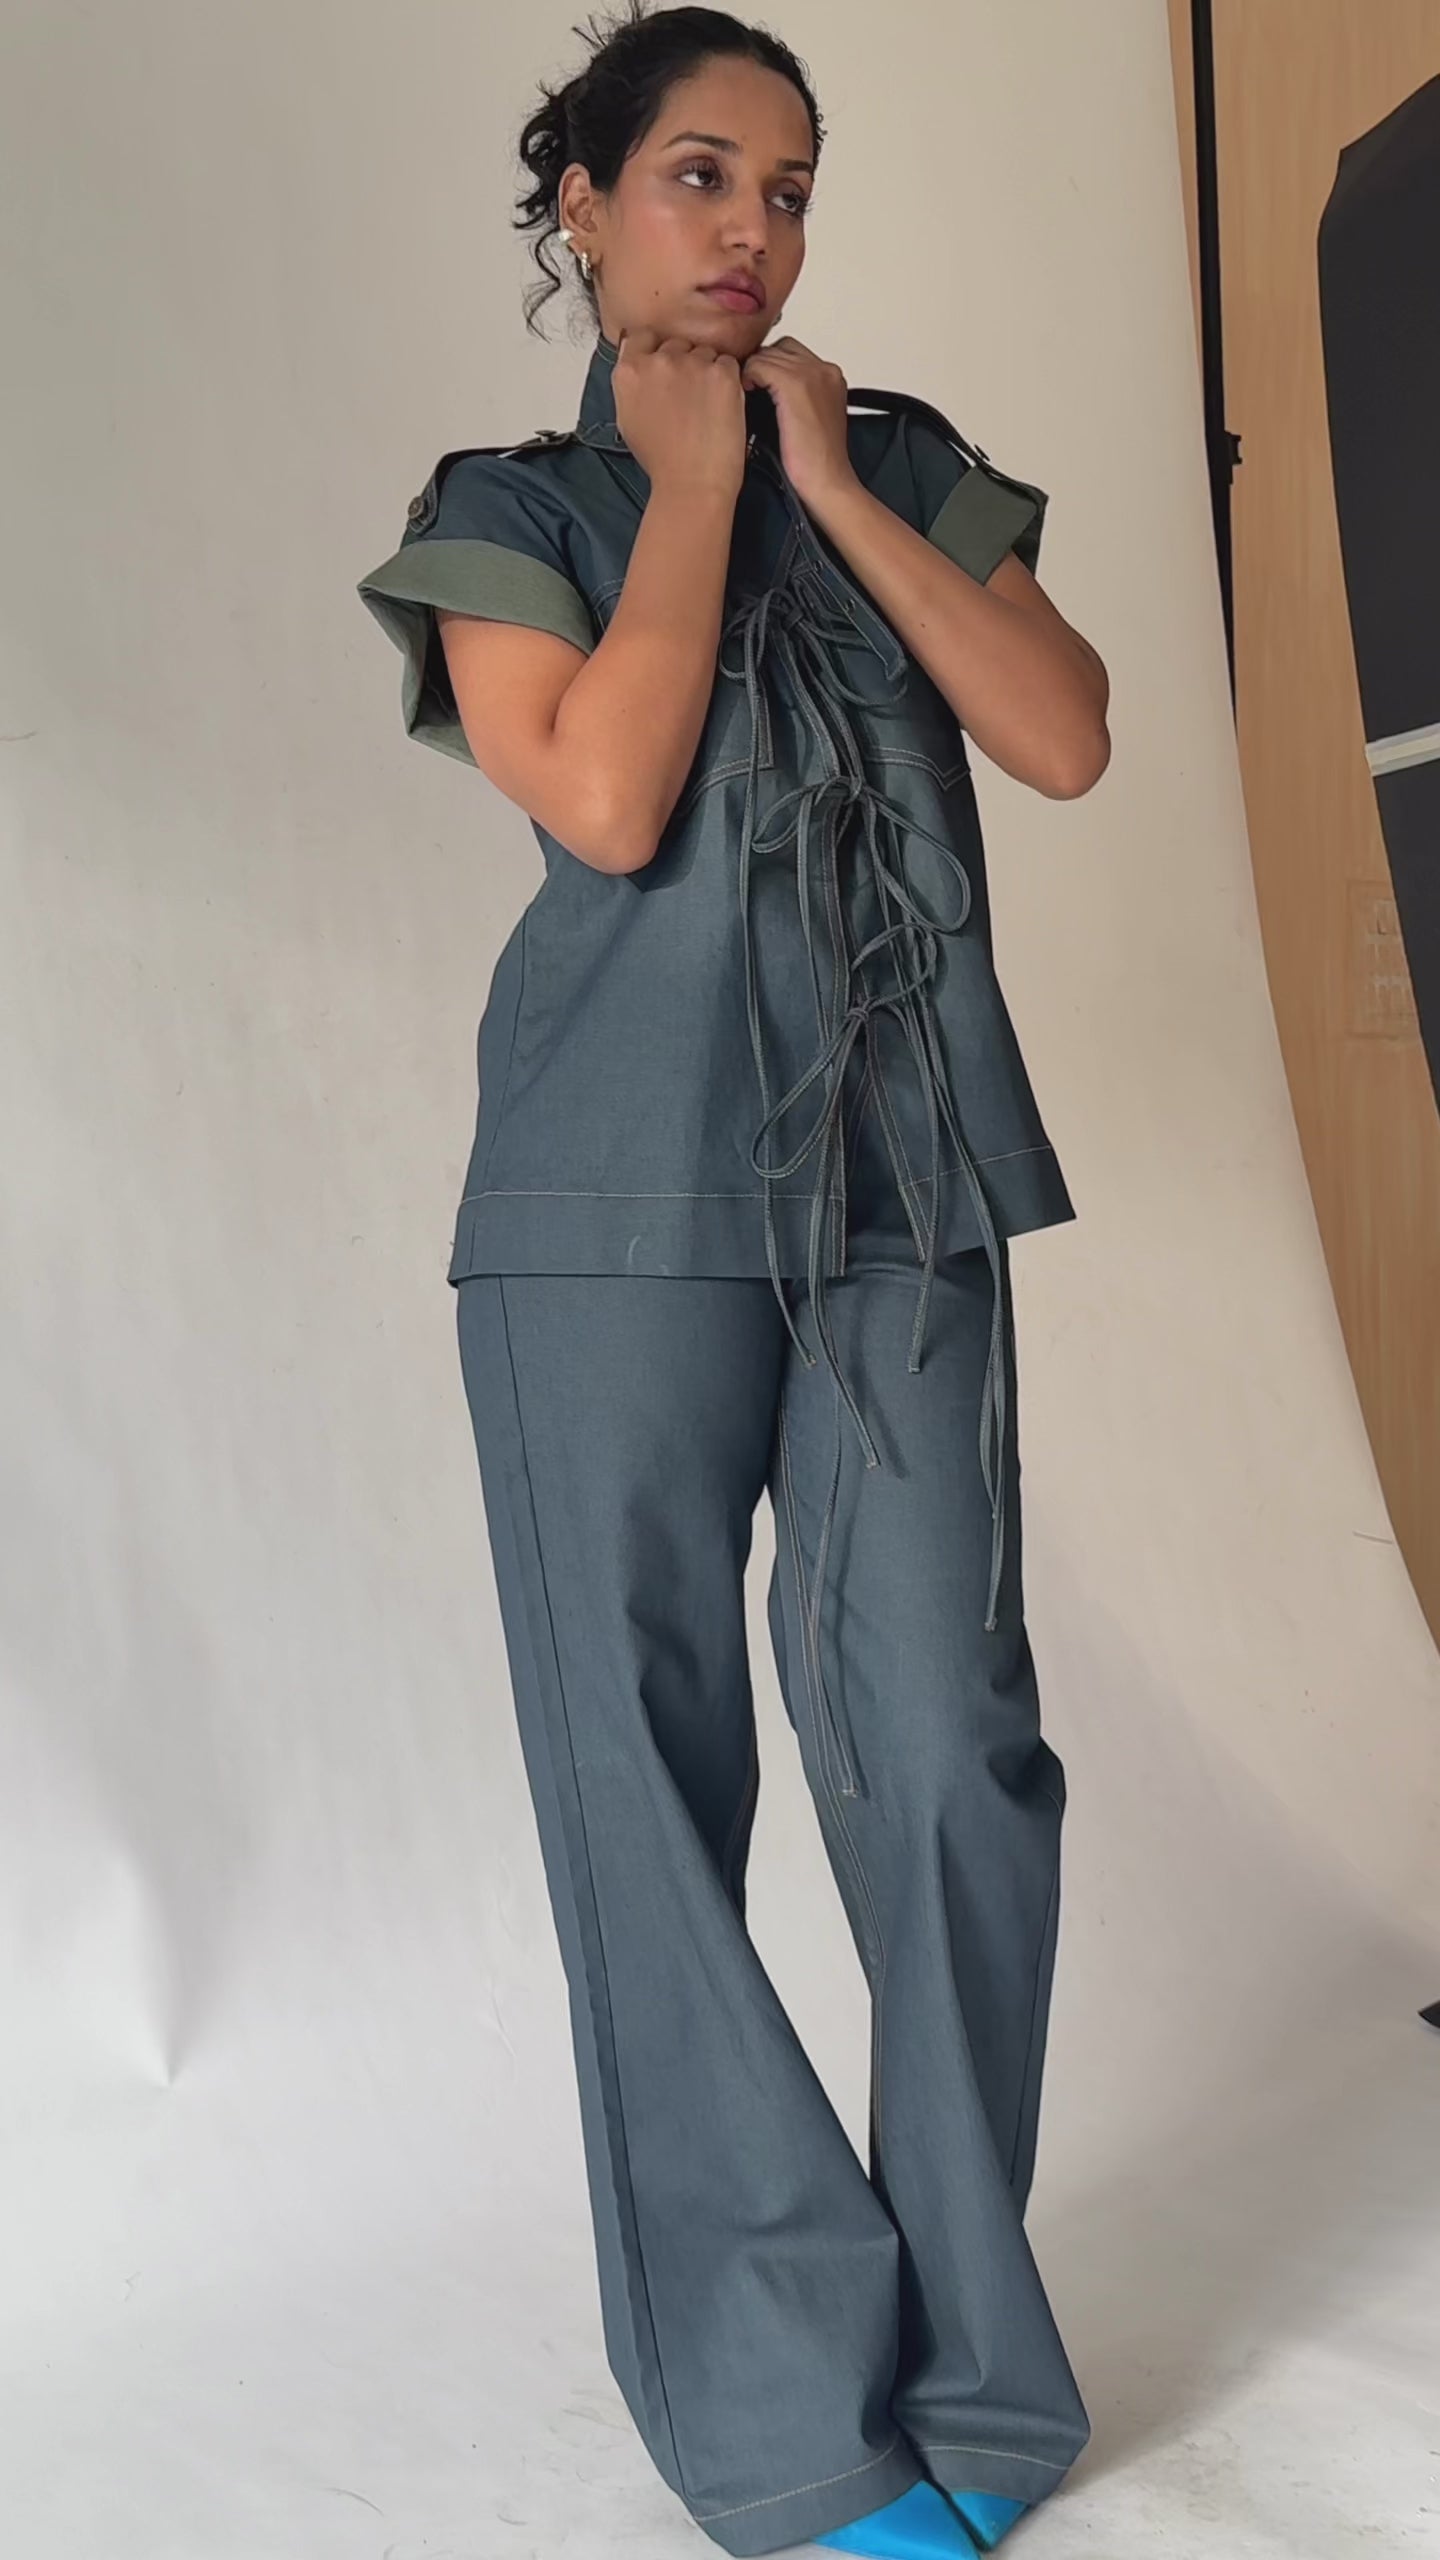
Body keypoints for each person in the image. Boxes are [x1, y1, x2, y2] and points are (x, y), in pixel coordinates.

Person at [356, 9, 1110, 2554]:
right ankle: (789, 2417)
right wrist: (688, 491)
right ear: (581, 201)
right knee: (646, 1788)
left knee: (952, 1749)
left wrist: (824, 481)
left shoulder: (901, 459)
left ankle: (979, 2373)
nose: (752, 232)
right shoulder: (509, 505)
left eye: (788, 188)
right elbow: (602, 794)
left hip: (906, 1191)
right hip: (606, 1206)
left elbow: (1064, 733)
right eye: (697, 175)